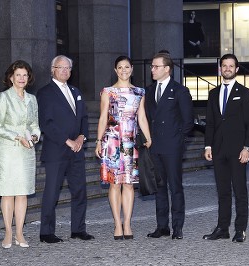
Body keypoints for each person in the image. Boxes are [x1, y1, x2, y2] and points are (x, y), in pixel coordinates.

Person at [37, 55, 94, 243]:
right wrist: (67, 141)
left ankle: (78, 229)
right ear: (53, 69)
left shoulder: (75, 91)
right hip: (56, 150)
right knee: (52, 192)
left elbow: (84, 118)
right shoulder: (45, 93)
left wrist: (81, 137)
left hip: (76, 150)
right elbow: (46, 122)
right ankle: (46, 232)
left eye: (68, 68)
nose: (65, 71)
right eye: (61, 68)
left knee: (79, 191)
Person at [95, 56, 152, 240]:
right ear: (115, 70)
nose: (123, 70)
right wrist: (98, 140)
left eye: (126, 67)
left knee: (128, 184)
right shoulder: (108, 92)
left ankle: (127, 223)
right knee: (114, 184)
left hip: (130, 141)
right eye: (120, 67)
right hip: (111, 141)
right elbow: (103, 117)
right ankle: (117, 224)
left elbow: (141, 117)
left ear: (132, 68)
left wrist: (148, 137)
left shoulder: (139, 92)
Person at [203, 54, 249, 243]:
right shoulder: (213, 93)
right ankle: (222, 228)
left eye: (231, 66)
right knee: (222, 191)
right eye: (224, 66)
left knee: (239, 190)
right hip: (218, 149)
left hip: (238, 150)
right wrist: (208, 145)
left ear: (237, 69)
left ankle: (240, 229)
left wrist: (247, 147)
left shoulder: (245, 93)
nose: (227, 69)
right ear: (220, 69)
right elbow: (210, 123)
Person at [0, 60, 40, 249]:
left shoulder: (32, 99)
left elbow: (35, 125)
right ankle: (8, 233)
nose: (21, 78)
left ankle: (19, 232)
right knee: (8, 192)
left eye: (25, 75)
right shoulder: (3, 97)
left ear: (29, 78)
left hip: (27, 150)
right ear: (11, 77)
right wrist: (17, 136)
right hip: (8, 150)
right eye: (18, 75)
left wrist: (34, 137)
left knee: (22, 193)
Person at [144, 52, 194, 240]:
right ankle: (162, 226)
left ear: (167, 69)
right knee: (159, 187)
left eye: (156, 66)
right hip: (155, 145)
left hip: (172, 146)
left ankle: (177, 227)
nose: (152, 70)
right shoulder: (149, 91)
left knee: (175, 186)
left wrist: (178, 140)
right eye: (152, 67)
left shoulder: (179, 91)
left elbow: (188, 121)